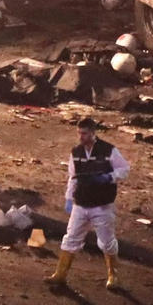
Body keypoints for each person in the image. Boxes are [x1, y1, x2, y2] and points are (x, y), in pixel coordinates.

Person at [48, 118, 130, 290]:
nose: (81, 137)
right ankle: (60, 274)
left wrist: (110, 177)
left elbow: (124, 169)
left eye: (84, 133)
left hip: (102, 205)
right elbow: (73, 177)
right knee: (71, 238)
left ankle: (113, 275)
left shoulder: (108, 150)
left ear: (93, 133)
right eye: (79, 133)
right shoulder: (76, 152)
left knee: (107, 241)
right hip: (81, 203)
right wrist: (69, 198)